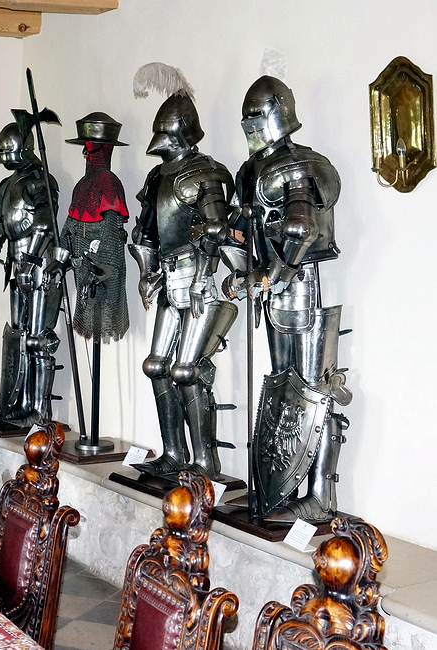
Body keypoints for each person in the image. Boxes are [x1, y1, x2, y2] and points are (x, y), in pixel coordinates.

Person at [222, 76, 351, 522]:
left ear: (278, 112)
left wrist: (272, 273)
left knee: (314, 387)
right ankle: (278, 489)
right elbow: (243, 228)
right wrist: (240, 267)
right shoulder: (250, 171)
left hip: (302, 281)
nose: (251, 126)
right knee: (282, 383)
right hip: (272, 287)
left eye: (256, 116)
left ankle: (319, 496)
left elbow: (301, 227)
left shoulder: (298, 165)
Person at [128, 92, 239, 481]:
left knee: (187, 371)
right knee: (156, 365)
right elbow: (144, 234)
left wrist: (202, 277)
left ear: (179, 134)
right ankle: (174, 453)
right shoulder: (157, 177)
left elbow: (215, 230)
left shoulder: (204, 174)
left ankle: (205, 462)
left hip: (198, 280)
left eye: (165, 131)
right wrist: (146, 272)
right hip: (168, 278)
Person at [0, 119, 66, 425]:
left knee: (39, 340)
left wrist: (30, 259)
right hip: (16, 266)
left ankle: (39, 410)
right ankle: (19, 403)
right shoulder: (6, 186)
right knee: (18, 337)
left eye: (9, 152)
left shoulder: (41, 180)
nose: (5, 158)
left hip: (39, 265)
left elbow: (44, 222)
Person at [61, 112, 130, 344]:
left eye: (87, 146)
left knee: (104, 319)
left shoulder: (108, 182)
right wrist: (60, 256)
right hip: (84, 269)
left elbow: (111, 237)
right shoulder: (82, 184)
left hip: (102, 273)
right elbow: (71, 227)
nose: (84, 152)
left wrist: (100, 270)